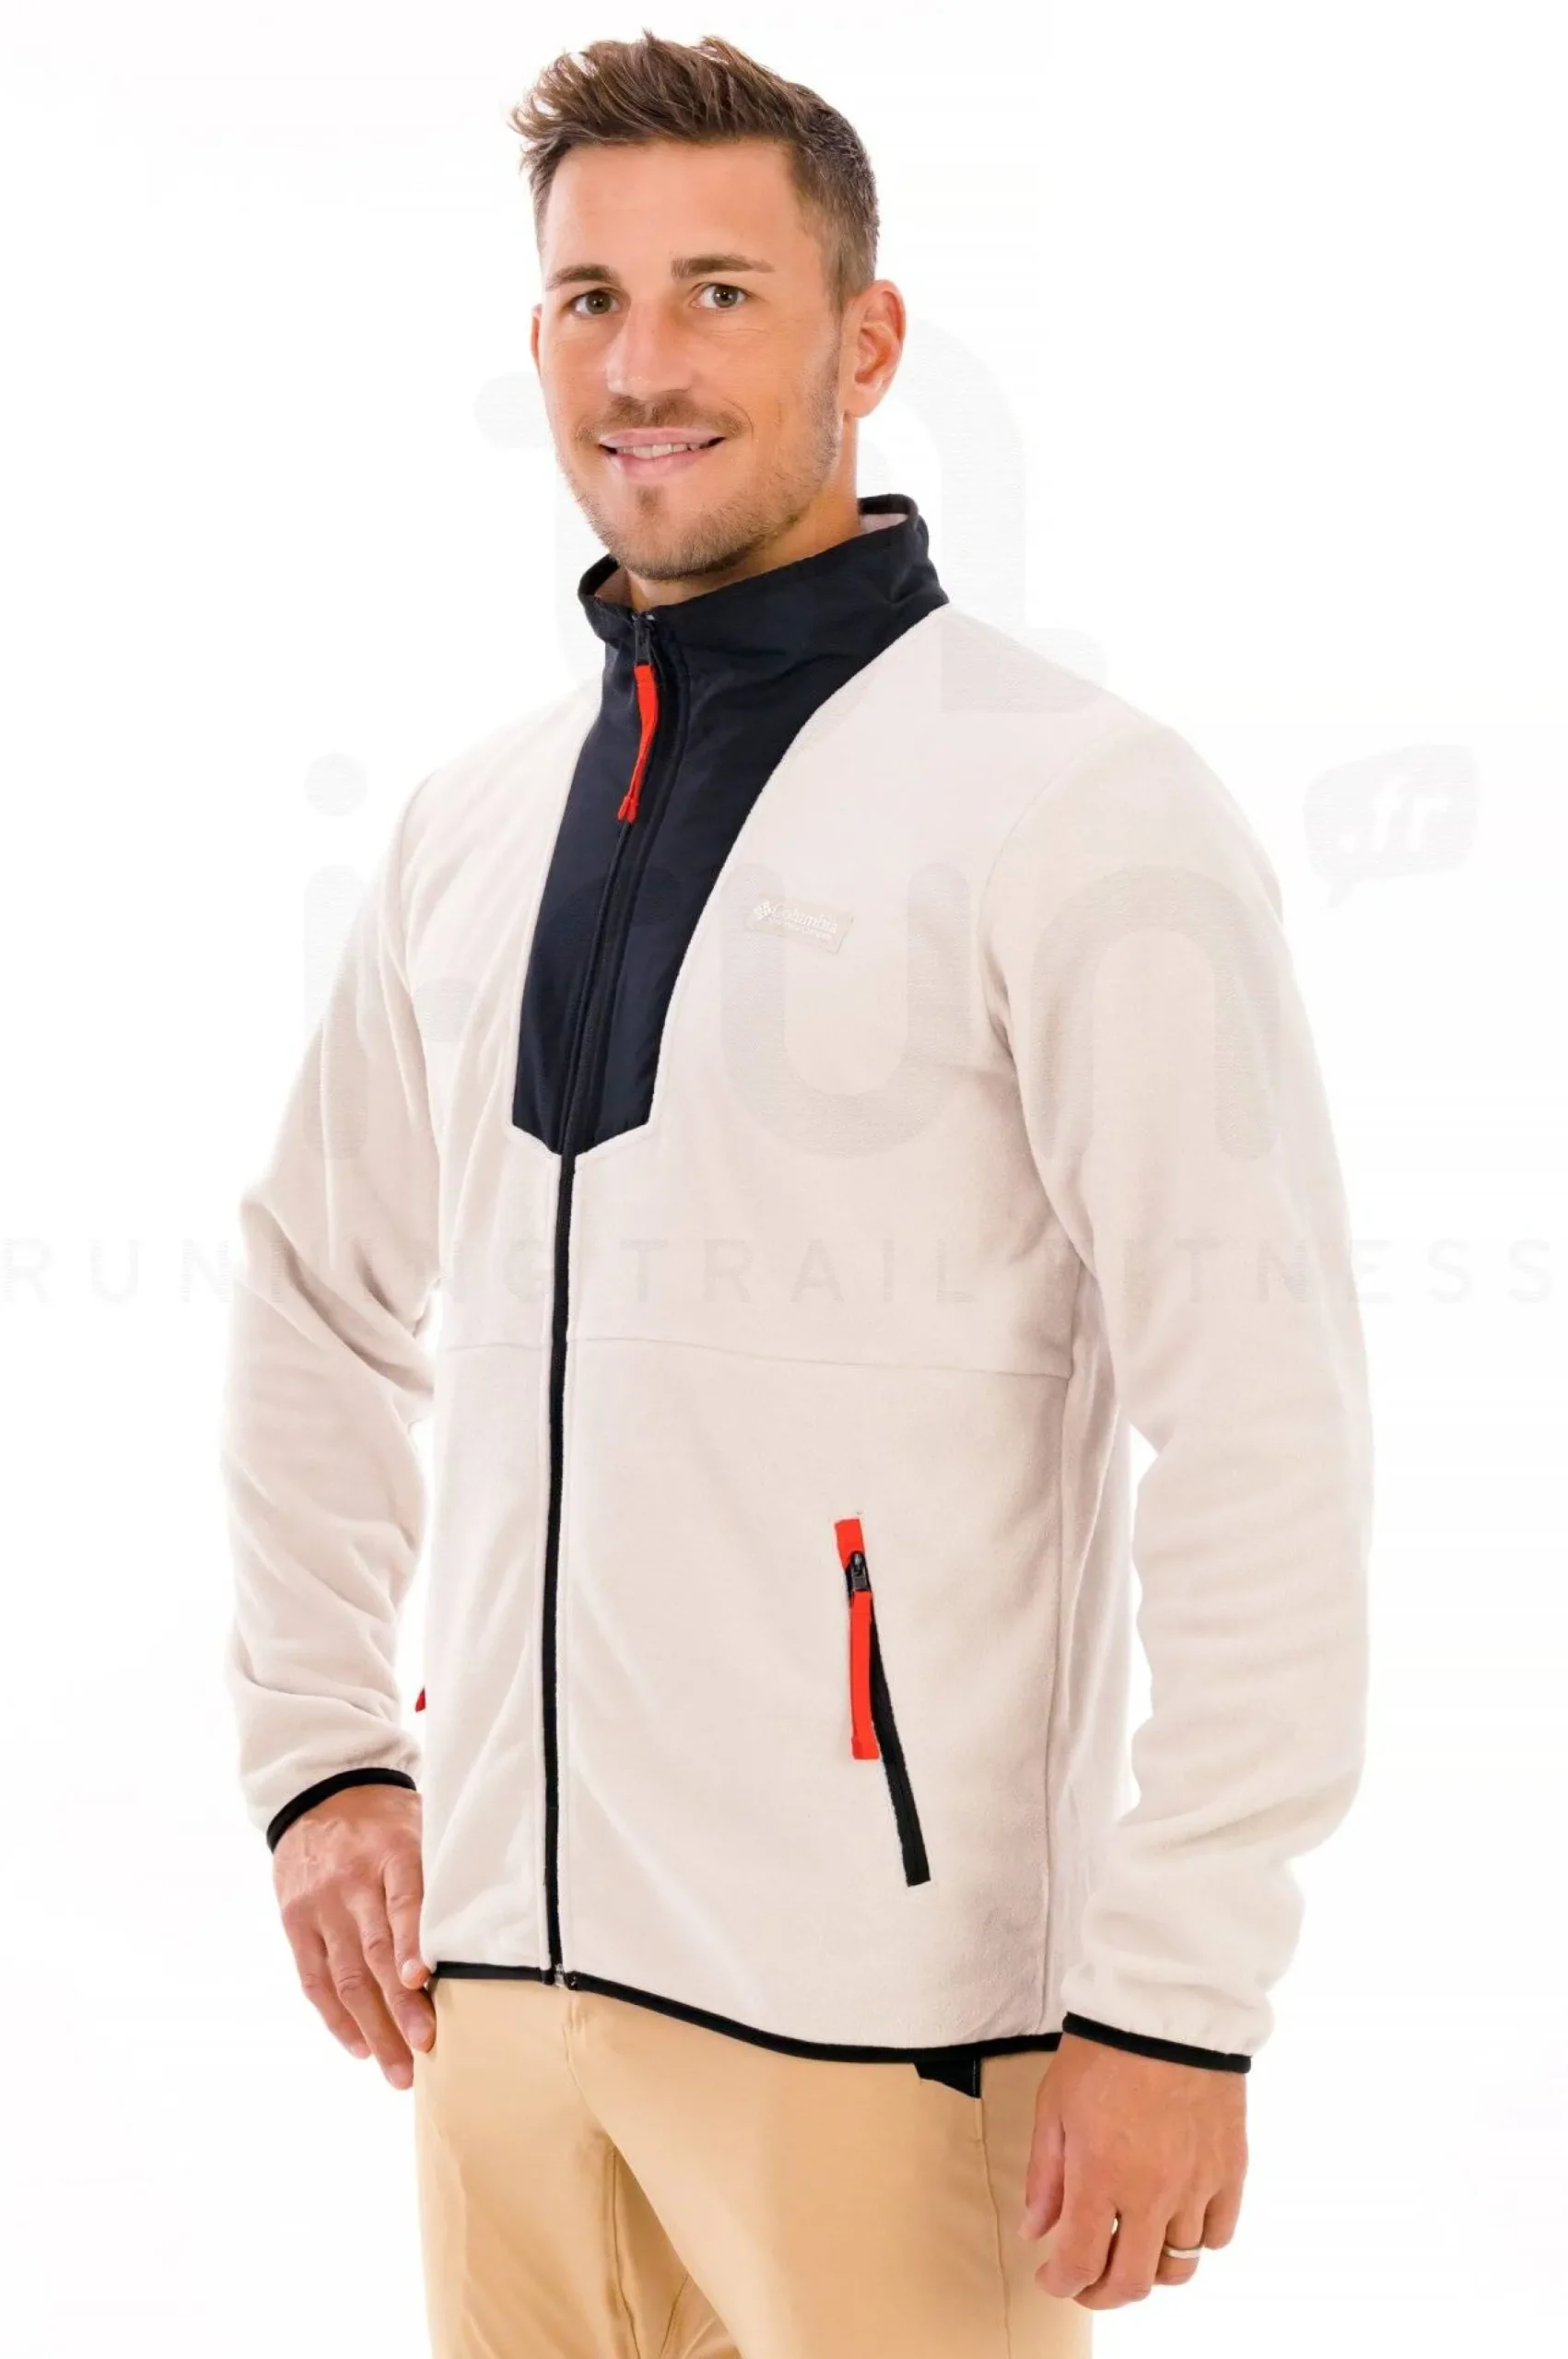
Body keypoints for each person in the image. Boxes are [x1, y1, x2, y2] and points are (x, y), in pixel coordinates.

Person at [219, 30, 1373, 2359]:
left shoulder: (1072, 803)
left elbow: (1259, 1414)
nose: (641, 364)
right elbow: (313, 1287)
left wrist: (1176, 1990)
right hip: (502, 2015)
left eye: (719, 293)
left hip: (889, 2030)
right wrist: (323, 1752)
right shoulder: (469, 821)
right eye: (590, 299)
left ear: (865, 338)